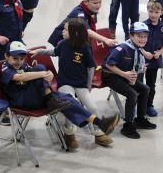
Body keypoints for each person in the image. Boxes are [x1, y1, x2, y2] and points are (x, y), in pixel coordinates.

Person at [0, 41, 120, 148]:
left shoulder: (24, 65)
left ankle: (100, 123)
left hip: (36, 97)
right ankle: (50, 99)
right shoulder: (5, 68)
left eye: (22, 59)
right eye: (15, 58)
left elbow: (39, 76)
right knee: (40, 68)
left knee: (68, 100)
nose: (19, 62)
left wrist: (48, 75)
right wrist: (43, 73)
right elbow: (21, 77)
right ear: (6, 56)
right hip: (22, 101)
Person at [31, 18, 113, 148]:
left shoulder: (85, 47)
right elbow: (53, 52)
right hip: (65, 83)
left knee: (92, 107)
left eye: (65, 29)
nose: (62, 31)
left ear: (74, 33)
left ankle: (99, 134)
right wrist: (39, 52)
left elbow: (91, 67)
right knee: (68, 104)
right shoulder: (63, 43)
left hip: (81, 84)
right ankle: (69, 133)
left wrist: (88, 84)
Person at [102, 22, 156, 139]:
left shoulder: (138, 48)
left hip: (123, 75)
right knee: (132, 94)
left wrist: (141, 68)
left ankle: (140, 119)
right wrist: (124, 74)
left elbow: (134, 61)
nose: (143, 39)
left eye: (145, 36)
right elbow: (109, 65)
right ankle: (128, 125)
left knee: (145, 89)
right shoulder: (122, 48)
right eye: (139, 36)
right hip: (110, 76)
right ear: (131, 36)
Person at [48, 0, 116, 47]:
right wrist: (105, 39)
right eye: (95, 3)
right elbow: (86, 30)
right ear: (85, 2)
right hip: (63, 38)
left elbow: (89, 28)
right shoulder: (79, 13)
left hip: (76, 37)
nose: (98, 5)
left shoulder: (92, 10)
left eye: (100, 2)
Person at [142, 0, 163, 115]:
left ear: (161, 12)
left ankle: (149, 105)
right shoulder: (142, 26)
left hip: (154, 61)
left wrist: (159, 53)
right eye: (150, 11)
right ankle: (138, 105)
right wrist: (144, 52)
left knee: (150, 85)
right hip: (140, 59)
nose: (153, 14)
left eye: (156, 12)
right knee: (137, 83)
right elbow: (134, 42)